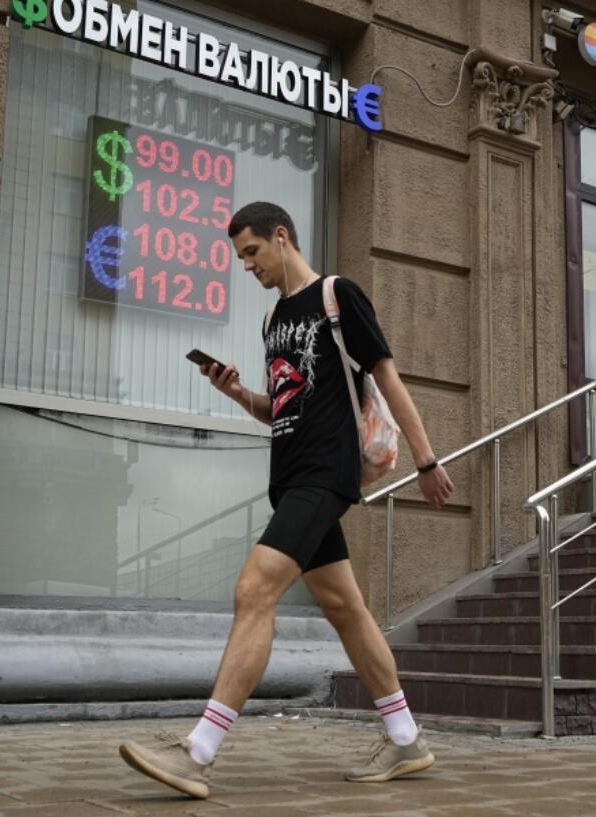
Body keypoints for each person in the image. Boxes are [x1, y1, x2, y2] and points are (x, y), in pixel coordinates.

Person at [119, 202, 455, 799]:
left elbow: (387, 377)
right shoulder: (274, 320)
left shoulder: (337, 295)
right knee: (344, 607)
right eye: (240, 257)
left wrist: (427, 460)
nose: (247, 266)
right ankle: (407, 739)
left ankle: (198, 752)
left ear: (280, 237)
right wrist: (239, 392)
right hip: (291, 477)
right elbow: (283, 409)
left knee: (253, 591)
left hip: (326, 475)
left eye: (251, 252)